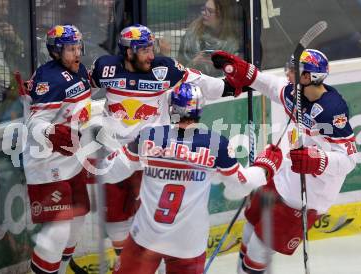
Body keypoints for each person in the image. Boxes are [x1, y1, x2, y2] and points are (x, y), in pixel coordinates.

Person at [89, 23, 242, 259]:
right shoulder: (105, 68)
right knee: (115, 223)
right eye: (145, 50)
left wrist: (231, 85)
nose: (152, 55)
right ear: (128, 52)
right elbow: (78, 86)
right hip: (115, 155)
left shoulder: (164, 69)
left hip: (152, 157)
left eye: (152, 48)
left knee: (154, 227)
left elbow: (201, 84)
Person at [96, 83, 283, 274]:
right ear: (199, 109)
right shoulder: (215, 143)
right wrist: (265, 168)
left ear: (171, 107)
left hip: (147, 236)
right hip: (188, 243)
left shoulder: (149, 136)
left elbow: (110, 171)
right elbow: (240, 186)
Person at [210, 49, 358, 274]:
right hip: (283, 176)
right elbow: (269, 85)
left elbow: (349, 159)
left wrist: (316, 160)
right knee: (249, 230)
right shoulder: (296, 92)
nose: (287, 73)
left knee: (258, 252)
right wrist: (238, 67)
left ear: (308, 77)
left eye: (293, 70)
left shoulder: (332, 110)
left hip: (309, 194)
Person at [23, 25, 92, 274]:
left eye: (78, 47)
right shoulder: (48, 79)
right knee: (58, 229)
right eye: (70, 49)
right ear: (55, 51)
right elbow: (34, 123)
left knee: (78, 219)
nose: (77, 53)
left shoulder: (80, 70)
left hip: (71, 160)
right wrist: (52, 134)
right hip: (47, 163)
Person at [174, 0, 242, 76]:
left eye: (210, 11)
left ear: (221, 16)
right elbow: (179, 67)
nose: (204, 13)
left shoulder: (233, 43)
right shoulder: (192, 33)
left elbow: (235, 72)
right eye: (204, 9)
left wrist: (217, 66)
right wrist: (194, 63)